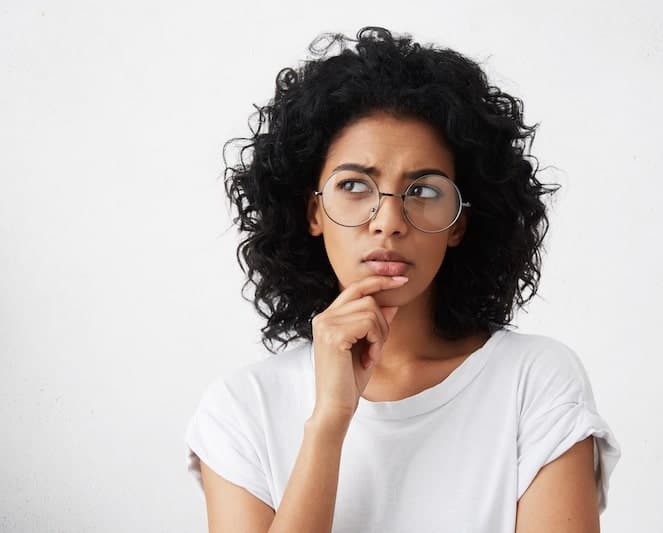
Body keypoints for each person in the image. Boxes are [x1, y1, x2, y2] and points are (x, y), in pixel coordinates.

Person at [184, 26, 621, 533]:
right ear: (314, 213)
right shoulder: (242, 407)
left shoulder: (535, 381)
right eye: (353, 185)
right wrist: (329, 421)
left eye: (424, 190)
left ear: (457, 224)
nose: (388, 220)